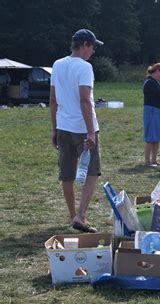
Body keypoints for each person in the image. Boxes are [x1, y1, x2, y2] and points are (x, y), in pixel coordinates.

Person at [49, 29, 104, 233]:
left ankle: (73, 214)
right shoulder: (85, 67)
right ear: (84, 45)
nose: (94, 51)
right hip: (82, 128)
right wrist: (91, 133)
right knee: (92, 172)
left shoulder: (57, 64)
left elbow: (53, 100)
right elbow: (84, 100)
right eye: (93, 47)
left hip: (63, 126)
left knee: (67, 174)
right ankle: (80, 216)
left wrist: (54, 129)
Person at [143, 63, 160, 167]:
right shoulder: (150, 82)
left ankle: (154, 160)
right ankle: (147, 162)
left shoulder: (156, 82)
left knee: (157, 137)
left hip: (157, 111)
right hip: (151, 111)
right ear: (157, 71)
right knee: (150, 137)